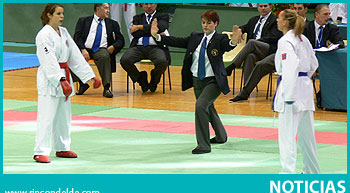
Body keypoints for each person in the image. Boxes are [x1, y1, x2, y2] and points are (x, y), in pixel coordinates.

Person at [151, 10, 241, 154]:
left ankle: (204, 145)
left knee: (200, 106)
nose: (205, 25)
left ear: (216, 24)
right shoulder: (195, 37)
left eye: (209, 23)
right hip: (196, 80)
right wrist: (157, 36)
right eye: (203, 22)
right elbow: (177, 41)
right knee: (208, 107)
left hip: (213, 81)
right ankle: (221, 136)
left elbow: (228, 45)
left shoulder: (220, 38)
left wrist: (234, 41)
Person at [34, 3, 102, 163]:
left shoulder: (63, 32)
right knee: (47, 116)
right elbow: (48, 60)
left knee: (63, 117)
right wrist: (60, 79)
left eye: (63, 13)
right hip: (51, 79)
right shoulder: (43, 35)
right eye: (58, 13)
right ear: (49, 15)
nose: (62, 16)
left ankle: (62, 147)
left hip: (65, 75)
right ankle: (40, 151)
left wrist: (90, 76)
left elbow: (75, 56)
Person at [230, 3, 309, 102]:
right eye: (260, 6)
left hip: (292, 79)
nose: (277, 20)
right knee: (252, 58)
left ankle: (232, 67)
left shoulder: (290, 40)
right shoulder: (290, 39)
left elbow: (289, 63)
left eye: (279, 18)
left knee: (253, 46)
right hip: (290, 73)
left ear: (284, 22)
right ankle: (245, 92)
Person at [274, 9, 320, 174]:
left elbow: (290, 67)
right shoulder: (303, 38)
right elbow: (314, 64)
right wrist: (304, 79)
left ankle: (288, 174)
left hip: (292, 90)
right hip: (305, 90)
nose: (277, 21)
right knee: (307, 137)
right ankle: (312, 172)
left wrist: (289, 96)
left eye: (279, 18)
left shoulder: (286, 40)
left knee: (287, 137)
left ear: (286, 22)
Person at [74, 3, 125, 98]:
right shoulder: (83, 21)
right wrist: (82, 49)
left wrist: (113, 46)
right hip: (85, 48)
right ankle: (83, 83)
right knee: (73, 58)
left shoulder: (113, 24)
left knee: (104, 56)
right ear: (98, 9)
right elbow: (77, 37)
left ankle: (106, 88)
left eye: (108, 9)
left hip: (101, 49)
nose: (108, 11)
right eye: (105, 8)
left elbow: (121, 40)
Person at [225, 3, 282, 85]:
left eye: (265, 6)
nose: (263, 8)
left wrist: (257, 42)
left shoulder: (275, 20)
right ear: (258, 8)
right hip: (255, 50)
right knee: (249, 56)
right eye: (261, 6)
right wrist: (240, 30)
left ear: (270, 7)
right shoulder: (254, 20)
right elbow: (245, 27)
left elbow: (273, 37)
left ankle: (232, 66)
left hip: (268, 49)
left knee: (252, 42)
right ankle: (246, 89)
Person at [120, 3, 170, 93]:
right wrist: (154, 31)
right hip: (138, 47)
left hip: (156, 47)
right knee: (125, 60)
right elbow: (135, 34)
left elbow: (161, 27)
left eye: (151, 3)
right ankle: (140, 78)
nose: (149, 6)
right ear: (142, 5)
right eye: (146, 4)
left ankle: (154, 79)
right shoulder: (137, 18)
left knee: (162, 61)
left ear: (156, 4)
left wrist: (140, 27)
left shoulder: (163, 16)